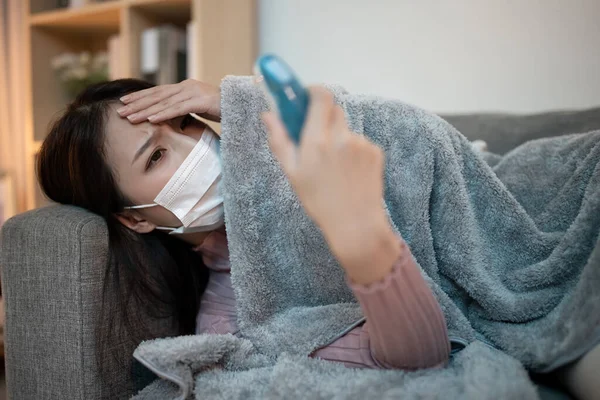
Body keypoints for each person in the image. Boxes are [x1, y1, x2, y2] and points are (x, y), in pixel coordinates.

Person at [37, 79, 598, 399]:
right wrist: (359, 236)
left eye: (187, 124)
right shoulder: (238, 316)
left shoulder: (290, 151)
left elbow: (418, 139)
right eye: (156, 156)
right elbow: (422, 355)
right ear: (135, 219)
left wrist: (251, 103)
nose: (197, 149)